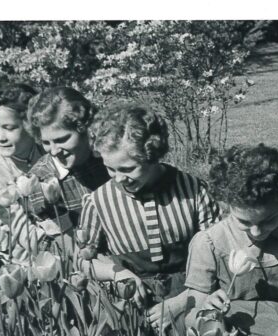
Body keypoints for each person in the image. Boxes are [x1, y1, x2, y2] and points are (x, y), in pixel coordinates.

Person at [148, 143, 278, 327]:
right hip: (237, 332)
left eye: (268, 221)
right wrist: (207, 306)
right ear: (226, 205)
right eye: (244, 222)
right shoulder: (209, 242)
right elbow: (194, 308)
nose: (257, 232)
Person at [78, 102, 222, 303]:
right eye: (111, 169)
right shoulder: (98, 202)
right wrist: (118, 273)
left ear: (152, 156)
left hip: (191, 291)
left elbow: (217, 248)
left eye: (128, 169)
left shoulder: (192, 189)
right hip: (132, 295)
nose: (119, 179)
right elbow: (84, 260)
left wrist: (187, 299)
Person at [24, 86, 109, 235]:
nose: (54, 151)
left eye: (62, 139)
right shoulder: (41, 181)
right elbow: (62, 242)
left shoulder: (109, 155)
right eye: (46, 142)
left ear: (84, 128)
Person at [0, 81, 40, 209]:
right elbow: (5, 218)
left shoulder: (44, 149)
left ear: (30, 125)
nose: (0, 138)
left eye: (9, 128)